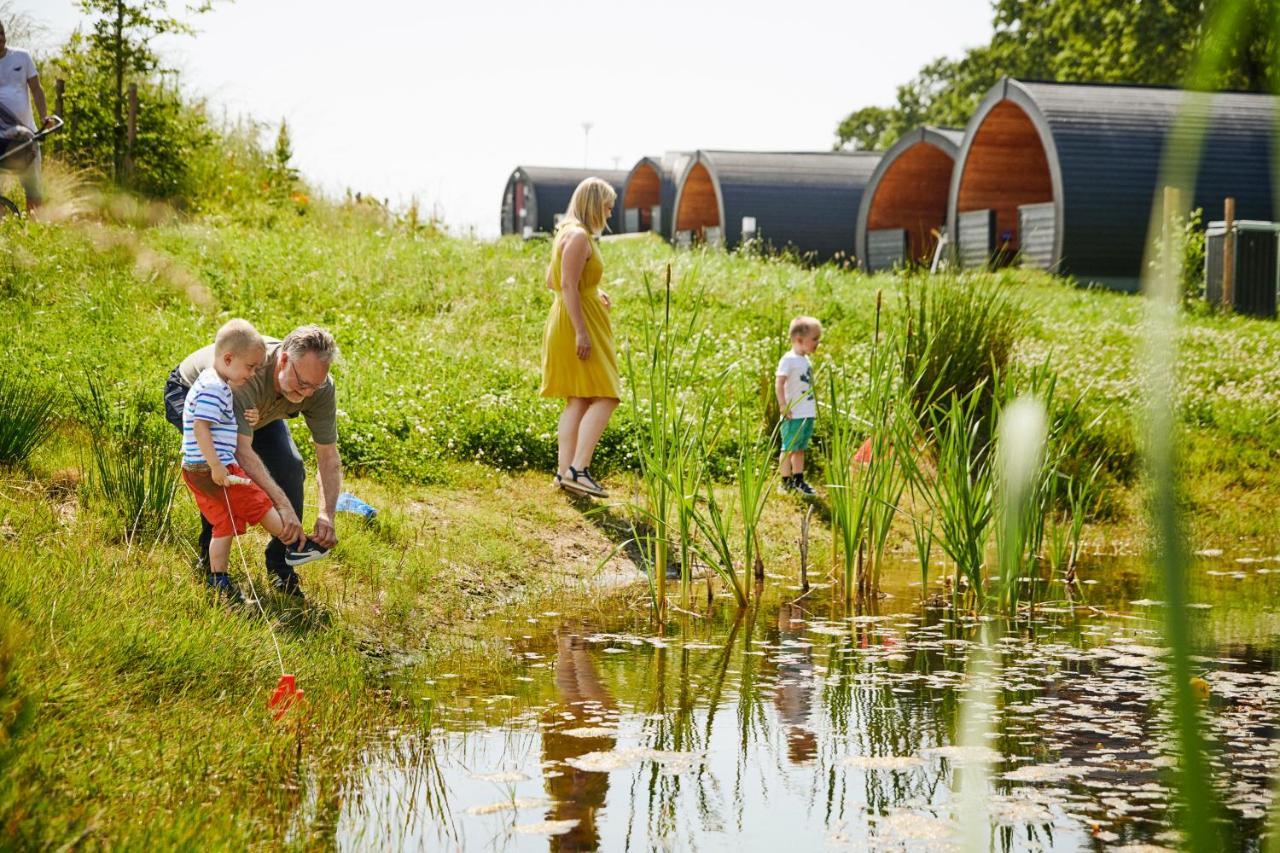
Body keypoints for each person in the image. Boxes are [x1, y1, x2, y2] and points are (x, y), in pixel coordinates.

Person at [164, 324, 343, 599]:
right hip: (194, 397)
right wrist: (281, 506)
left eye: (315, 386)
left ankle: (282, 565)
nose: (308, 393)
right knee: (220, 473)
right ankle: (211, 567)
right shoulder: (245, 376)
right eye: (303, 383)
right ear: (283, 359)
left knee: (290, 468)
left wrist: (326, 515)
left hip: (256, 413)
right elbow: (240, 452)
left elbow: (328, 456)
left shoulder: (318, 388)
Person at [540, 177, 620, 499]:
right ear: (594, 204)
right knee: (607, 395)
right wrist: (581, 331)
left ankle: (564, 474)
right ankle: (579, 469)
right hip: (576, 325)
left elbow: (554, 281)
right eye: (607, 207)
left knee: (579, 398)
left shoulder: (567, 232)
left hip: (571, 319)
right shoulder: (577, 236)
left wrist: (592, 290)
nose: (609, 215)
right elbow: (566, 285)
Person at [0, 21, 52, 212]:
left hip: (26, 135)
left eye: (2, 33)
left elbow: (37, 90)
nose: (0, 37)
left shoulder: (22, 57)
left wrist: (44, 117)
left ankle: (35, 226)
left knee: (32, 184)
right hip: (0, 138)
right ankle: (3, 225)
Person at [775, 316, 821, 496]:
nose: (818, 342)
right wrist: (783, 405)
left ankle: (798, 479)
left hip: (806, 413)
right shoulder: (788, 359)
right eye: (815, 339)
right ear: (800, 340)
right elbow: (779, 383)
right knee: (788, 447)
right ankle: (785, 482)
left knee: (800, 448)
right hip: (792, 414)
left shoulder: (805, 360)